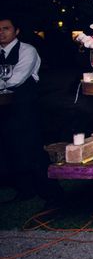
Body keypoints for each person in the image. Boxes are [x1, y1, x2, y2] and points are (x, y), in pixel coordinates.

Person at [0, 16, 58, 202]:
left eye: (6, 28)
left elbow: (16, 79)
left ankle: (49, 190)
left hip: (25, 105)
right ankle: (23, 188)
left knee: (30, 146)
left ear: (16, 31)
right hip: (4, 107)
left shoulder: (27, 50)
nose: (1, 33)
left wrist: (4, 82)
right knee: (9, 146)